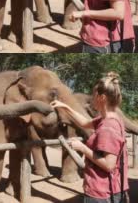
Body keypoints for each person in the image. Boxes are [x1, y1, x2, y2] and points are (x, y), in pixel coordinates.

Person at [51, 72, 129, 203]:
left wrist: (82, 148)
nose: (92, 99)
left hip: (102, 193)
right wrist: (66, 107)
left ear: (102, 97)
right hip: (114, 187)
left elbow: (109, 165)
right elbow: (84, 123)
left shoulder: (107, 127)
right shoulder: (112, 118)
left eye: (94, 95)